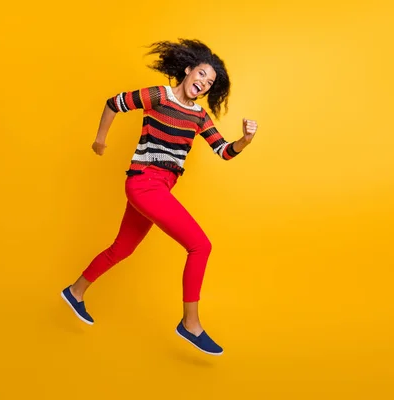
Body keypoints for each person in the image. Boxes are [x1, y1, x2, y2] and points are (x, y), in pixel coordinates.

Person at [60, 39, 258, 356]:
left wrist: (245, 140)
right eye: (202, 75)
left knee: (121, 248)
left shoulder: (199, 116)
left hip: (160, 188)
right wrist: (100, 140)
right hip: (144, 183)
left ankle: (75, 291)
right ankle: (190, 324)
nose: (203, 84)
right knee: (200, 246)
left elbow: (223, 151)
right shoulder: (158, 96)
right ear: (189, 69)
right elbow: (115, 102)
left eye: (209, 84)